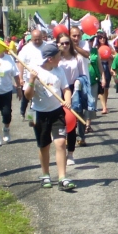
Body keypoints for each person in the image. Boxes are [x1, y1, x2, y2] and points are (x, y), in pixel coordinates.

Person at [23, 43, 76, 190]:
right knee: (43, 145)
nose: (62, 57)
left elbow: (66, 89)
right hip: (36, 112)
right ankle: (45, 175)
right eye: (59, 55)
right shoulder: (33, 71)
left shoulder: (60, 70)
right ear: (50, 58)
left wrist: (68, 100)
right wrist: (32, 81)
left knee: (60, 143)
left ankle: (62, 178)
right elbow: (27, 96)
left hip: (57, 111)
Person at [58, 31, 87, 165]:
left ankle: (70, 153)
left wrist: (78, 82)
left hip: (74, 90)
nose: (65, 45)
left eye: (67, 43)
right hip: (58, 91)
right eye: (62, 43)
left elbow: (83, 75)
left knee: (71, 121)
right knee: (59, 122)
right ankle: (60, 150)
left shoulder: (78, 58)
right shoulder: (56, 58)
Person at [17, 29, 47, 121]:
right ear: (31, 38)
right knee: (27, 98)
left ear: (42, 37)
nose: (37, 41)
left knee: (37, 100)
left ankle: (36, 118)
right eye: (35, 40)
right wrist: (20, 78)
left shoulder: (47, 46)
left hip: (43, 79)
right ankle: (24, 113)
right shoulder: (26, 48)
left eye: (39, 39)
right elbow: (21, 63)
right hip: (30, 79)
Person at [96, 30, 112, 114]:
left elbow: (114, 55)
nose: (102, 39)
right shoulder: (96, 48)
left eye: (104, 38)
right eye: (100, 38)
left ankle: (105, 104)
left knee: (106, 88)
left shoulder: (109, 47)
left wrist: (112, 57)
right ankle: (104, 107)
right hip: (99, 66)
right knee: (101, 86)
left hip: (107, 66)